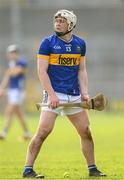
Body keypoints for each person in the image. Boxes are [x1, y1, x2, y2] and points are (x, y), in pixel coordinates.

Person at [23, 10, 106, 178]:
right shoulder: (47, 43)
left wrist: (84, 93)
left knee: (86, 132)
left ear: (71, 24)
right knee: (43, 132)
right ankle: (28, 169)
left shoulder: (80, 44)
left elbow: (82, 70)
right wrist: (52, 95)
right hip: (54, 94)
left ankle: (92, 169)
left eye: (62, 21)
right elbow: (41, 71)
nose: (58, 23)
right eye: (56, 20)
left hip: (74, 94)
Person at [0, 44, 31, 140]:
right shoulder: (11, 64)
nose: (13, 55)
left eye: (14, 53)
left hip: (18, 90)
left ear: (17, 54)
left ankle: (4, 132)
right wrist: (1, 88)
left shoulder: (21, 62)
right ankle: (27, 133)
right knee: (19, 114)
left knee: (9, 110)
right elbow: (7, 77)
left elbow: (16, 72)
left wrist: (10, 72)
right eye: (11, 53)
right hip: (12, 90)